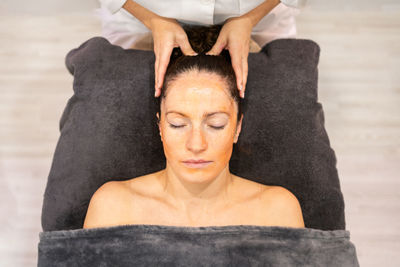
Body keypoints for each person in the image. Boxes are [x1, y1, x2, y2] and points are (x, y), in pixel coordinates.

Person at [83, 25, 305, 229]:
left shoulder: (276, 210)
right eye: (177, 124)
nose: (196, 144)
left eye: (215, 125)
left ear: (237, 128)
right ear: (160, 126)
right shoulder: (114, 206)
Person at [95, 0, 300, 98]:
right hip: (140, 15)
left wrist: (249, 19)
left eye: (215, 124)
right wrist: (153, 20)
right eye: (177, 124)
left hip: (260, 14)